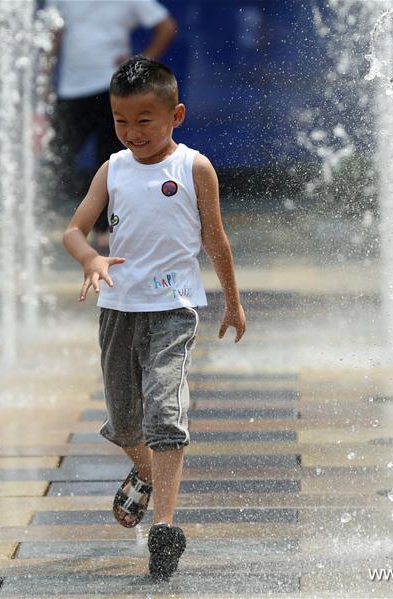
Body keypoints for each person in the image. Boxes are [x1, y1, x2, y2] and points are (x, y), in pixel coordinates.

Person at [62, 56, 246, 581]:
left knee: (165, 414)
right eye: (122, 121)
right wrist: (91, 259)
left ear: (176, 116)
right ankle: (144, 472)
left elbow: (215, 238)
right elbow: (74, 230)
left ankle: (164, 526)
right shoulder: (112, 169)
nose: (133, 132)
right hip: (119, 310)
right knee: (124, 424)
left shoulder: (193, 168)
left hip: (172, 309)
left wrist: (232, 300)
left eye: (145, 120)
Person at [45, 0, 177, 249]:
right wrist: (44, 80)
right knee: (58, 158)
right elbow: (54, 36)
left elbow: (166, 26)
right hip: (71, 89)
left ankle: (104, 228)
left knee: (109, 160)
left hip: (112, 89)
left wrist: (139, 67)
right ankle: (49, 219)